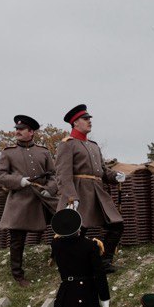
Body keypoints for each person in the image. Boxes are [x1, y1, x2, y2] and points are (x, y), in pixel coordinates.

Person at [53, 104, 125, 273]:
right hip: (79, 192)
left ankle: (104, 262)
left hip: (97, 192)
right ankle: (74, 265)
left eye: (89, 118)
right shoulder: (67, 144)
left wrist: (115, 176)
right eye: (85, 119)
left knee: (116, 225)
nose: (89, 121)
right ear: (75, 122)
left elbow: (102, 171)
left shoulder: (93, 145)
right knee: (78, 231)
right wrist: (71, 197)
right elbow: (63, 174)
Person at [0, 114, 57, 286]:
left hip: (43, 200)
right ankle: (18, 275)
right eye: (17, 129)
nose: (18, 132)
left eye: (22, 129)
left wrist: (50, 190)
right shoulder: (8, 152)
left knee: (64, 224)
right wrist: (19, 181)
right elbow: (0, 176)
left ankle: (59, 258)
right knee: (17, 240)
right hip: (20, 201)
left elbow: (53, 175)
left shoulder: (43, 152)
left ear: (31, 132)